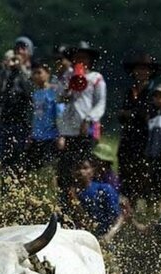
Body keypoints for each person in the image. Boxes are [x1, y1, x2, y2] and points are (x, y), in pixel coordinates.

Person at [56, 41, 106, 200]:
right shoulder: (67, 76)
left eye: (84, 58)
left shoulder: (96, 78)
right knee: (65, 167)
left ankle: (88, 200)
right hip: (68, 128)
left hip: (85, 129)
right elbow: (59, 97)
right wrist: (67, 87)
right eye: (77, 58)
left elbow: (100, 102)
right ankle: (65, 201)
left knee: (84, 165)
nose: (80, 61)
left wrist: (89, 119)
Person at [118, 52, 159, 201]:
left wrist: (132, 114)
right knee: (127, 176)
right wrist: (134, 114)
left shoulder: (154, 92)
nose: (141, 72)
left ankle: (148, 212)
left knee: (145, 176)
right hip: (128, 139)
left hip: (145, 140)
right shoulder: (130, 91)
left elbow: (149, 114)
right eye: (138, 69)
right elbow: (122, 114)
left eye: (145, 69)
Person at [0, 46, 33, 170]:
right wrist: (5, 69)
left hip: (22, 122)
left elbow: (29, 91)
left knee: (20, 158)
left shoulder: (31, 71)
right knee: (5, 158)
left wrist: (21, 68)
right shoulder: (6, 73)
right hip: (6, 121)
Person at [67, 158, 122, 238]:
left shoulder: (104, 189)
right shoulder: (72, 193)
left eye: (85, 168)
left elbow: (119, 217)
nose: (81, 171)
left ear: (92, 171)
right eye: (77, 168)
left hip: (107, 236)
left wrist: (109, 236)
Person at [29, 62, 59, 169]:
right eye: (34, 73)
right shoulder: (36, 93)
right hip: (37, 135)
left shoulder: (53, 91)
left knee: (49, 167)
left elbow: (59, 113)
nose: (36, 76)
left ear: (47, 73)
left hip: (50, 135)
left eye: (39, 72)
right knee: (34, 168)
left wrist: (60, 135)